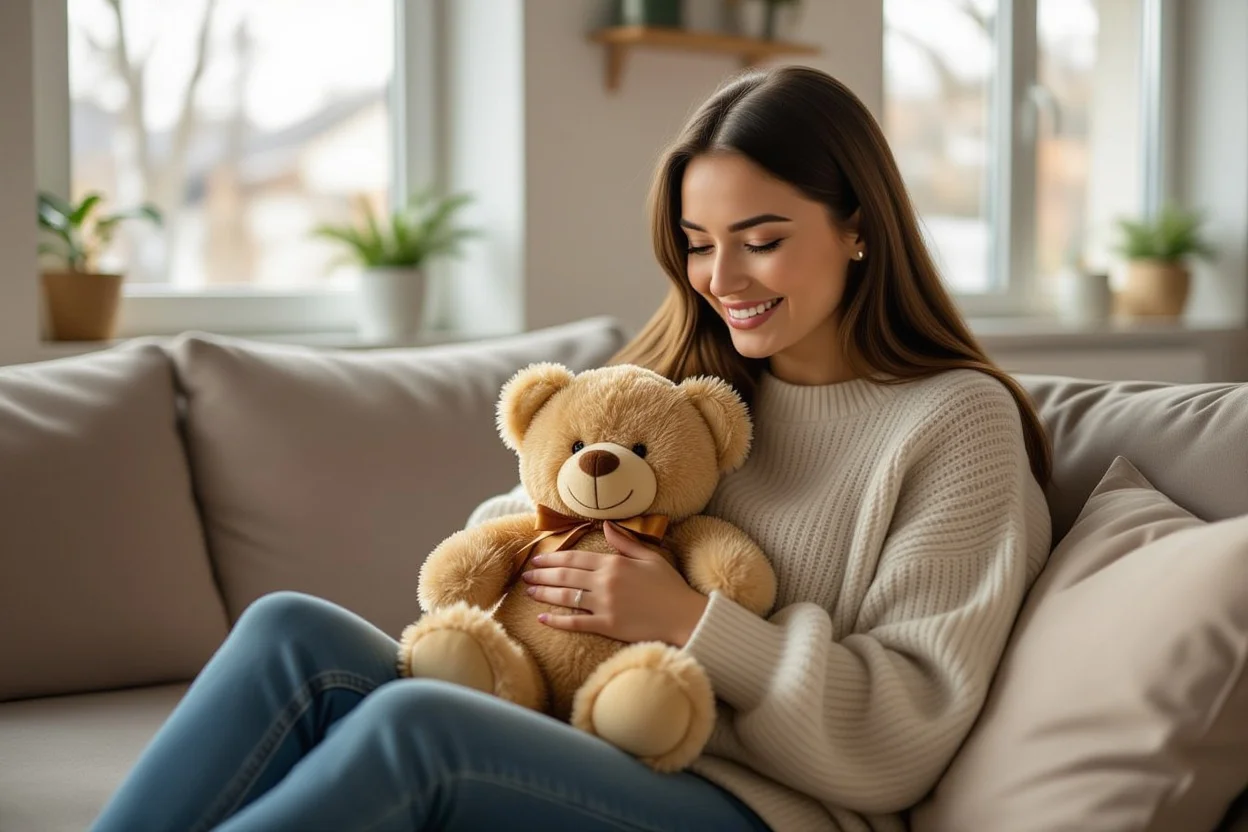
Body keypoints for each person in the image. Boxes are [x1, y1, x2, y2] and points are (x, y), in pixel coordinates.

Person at [91, 65, 1052, 832]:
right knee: (289, 628)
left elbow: (901, 736)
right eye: (697, 242)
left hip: (760, 805)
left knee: (417, 731)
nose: (722, 277)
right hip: (581, 734)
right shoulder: (684, 375)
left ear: (858, 230)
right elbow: (513, 518)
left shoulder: (954, 423)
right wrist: (543, 555)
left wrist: (685, 619)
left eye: (761, 240)